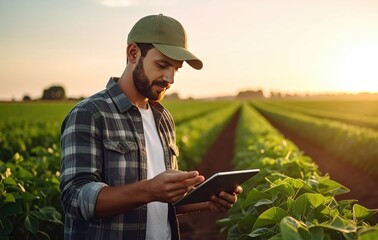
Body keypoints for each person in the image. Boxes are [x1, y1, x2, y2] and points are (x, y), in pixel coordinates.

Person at [59, 14, 242, 240]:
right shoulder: (90, 114)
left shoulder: (163, 119)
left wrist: (206, 201)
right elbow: (75, 198)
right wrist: (148, 190)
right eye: (162, 65)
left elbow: (161, 204)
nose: (170, 78)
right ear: (133, 53)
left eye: (176, 68)